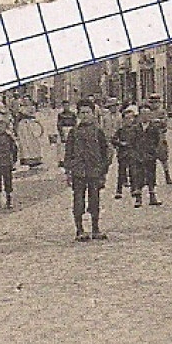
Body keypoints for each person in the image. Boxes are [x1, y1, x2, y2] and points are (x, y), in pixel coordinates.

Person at [64, 97, 112, 240]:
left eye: (88, 112)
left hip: (94, 171)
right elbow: (68, 152)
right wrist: (68, 172)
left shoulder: (98, 132)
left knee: (95, 200)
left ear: (93, 114)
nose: (85, 116)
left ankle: (95, 228)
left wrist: (103, 170)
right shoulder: (74, 132)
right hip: (78, 171)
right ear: (78, 115)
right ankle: (79, 230)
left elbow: (106, 152)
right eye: (82, 113)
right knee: (78, 201)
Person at [136, 104, 164, 206]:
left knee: (151, 175)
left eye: (147, 114)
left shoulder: (154, 128)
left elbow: (157, 140)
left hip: (150, 155)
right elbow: (132, 141)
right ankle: (138, 199)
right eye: (143, 114)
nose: (145, 116)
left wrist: (153, 151)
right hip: (138, 155)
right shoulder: (136, 128)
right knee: (138, 176)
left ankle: (152, 197)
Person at [112, 105, 141, 200]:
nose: (129, 120)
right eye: (127, 119)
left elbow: (140, 140)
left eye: (131, 118)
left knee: (133, 171)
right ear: (123, 120)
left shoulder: (136, 130)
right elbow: (113, 140)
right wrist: (120, 143)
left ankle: (134, 189)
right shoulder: (121, 130)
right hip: (123, 153)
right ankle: (119, 190)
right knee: (121, 173)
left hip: (133, 153)